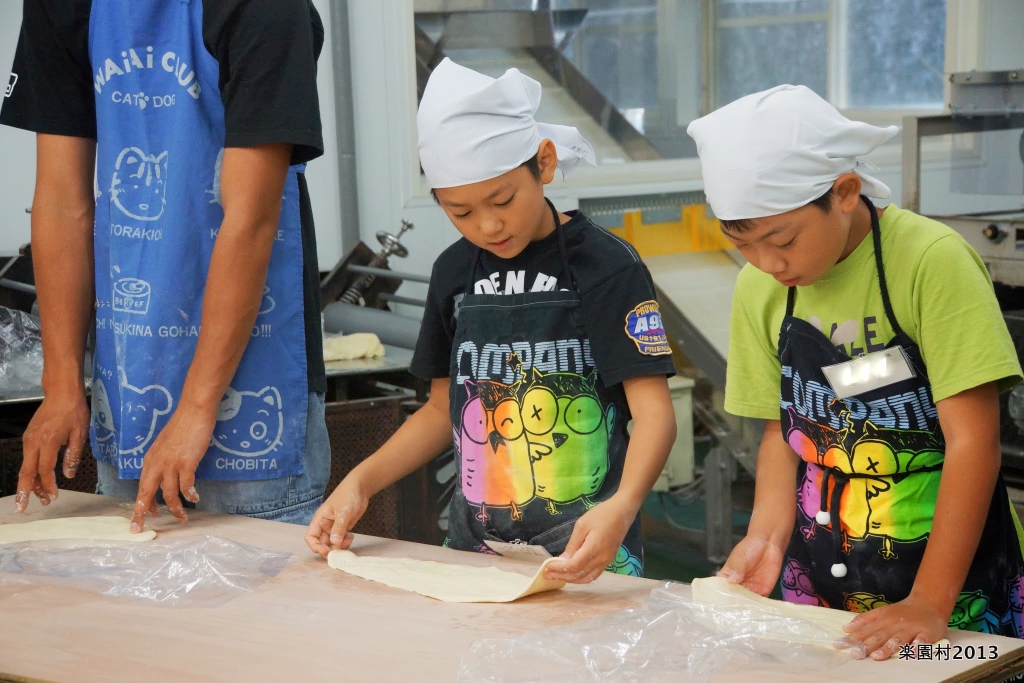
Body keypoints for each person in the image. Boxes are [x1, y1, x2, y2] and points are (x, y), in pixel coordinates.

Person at [306, 58, 676, 582]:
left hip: (590, 550)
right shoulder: (453, 272)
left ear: (543, 164)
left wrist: (624, 505)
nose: (488, 225)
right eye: (460, 211)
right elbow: (440, 410)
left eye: (503, 199)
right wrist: (359, 482)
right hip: (476, 551)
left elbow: (655, 414)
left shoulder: (608, 266)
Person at [687, 84, 1024, 658]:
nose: (769, 265)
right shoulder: (761, 288)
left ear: (844, 193)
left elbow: (975, 441)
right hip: (818, 576)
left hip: (948, 576)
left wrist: (930, 600)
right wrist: (765, 539)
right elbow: (782, 432)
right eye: (745, 246)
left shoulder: (929, 260)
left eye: (783, 240)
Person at [1, 0, 331, 528]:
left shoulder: (265, 8)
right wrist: (62, 384)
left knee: (263, 603)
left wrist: (198, 407)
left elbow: (249, 220)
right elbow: (62, 201)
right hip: (130, 384)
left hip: (257, 392)